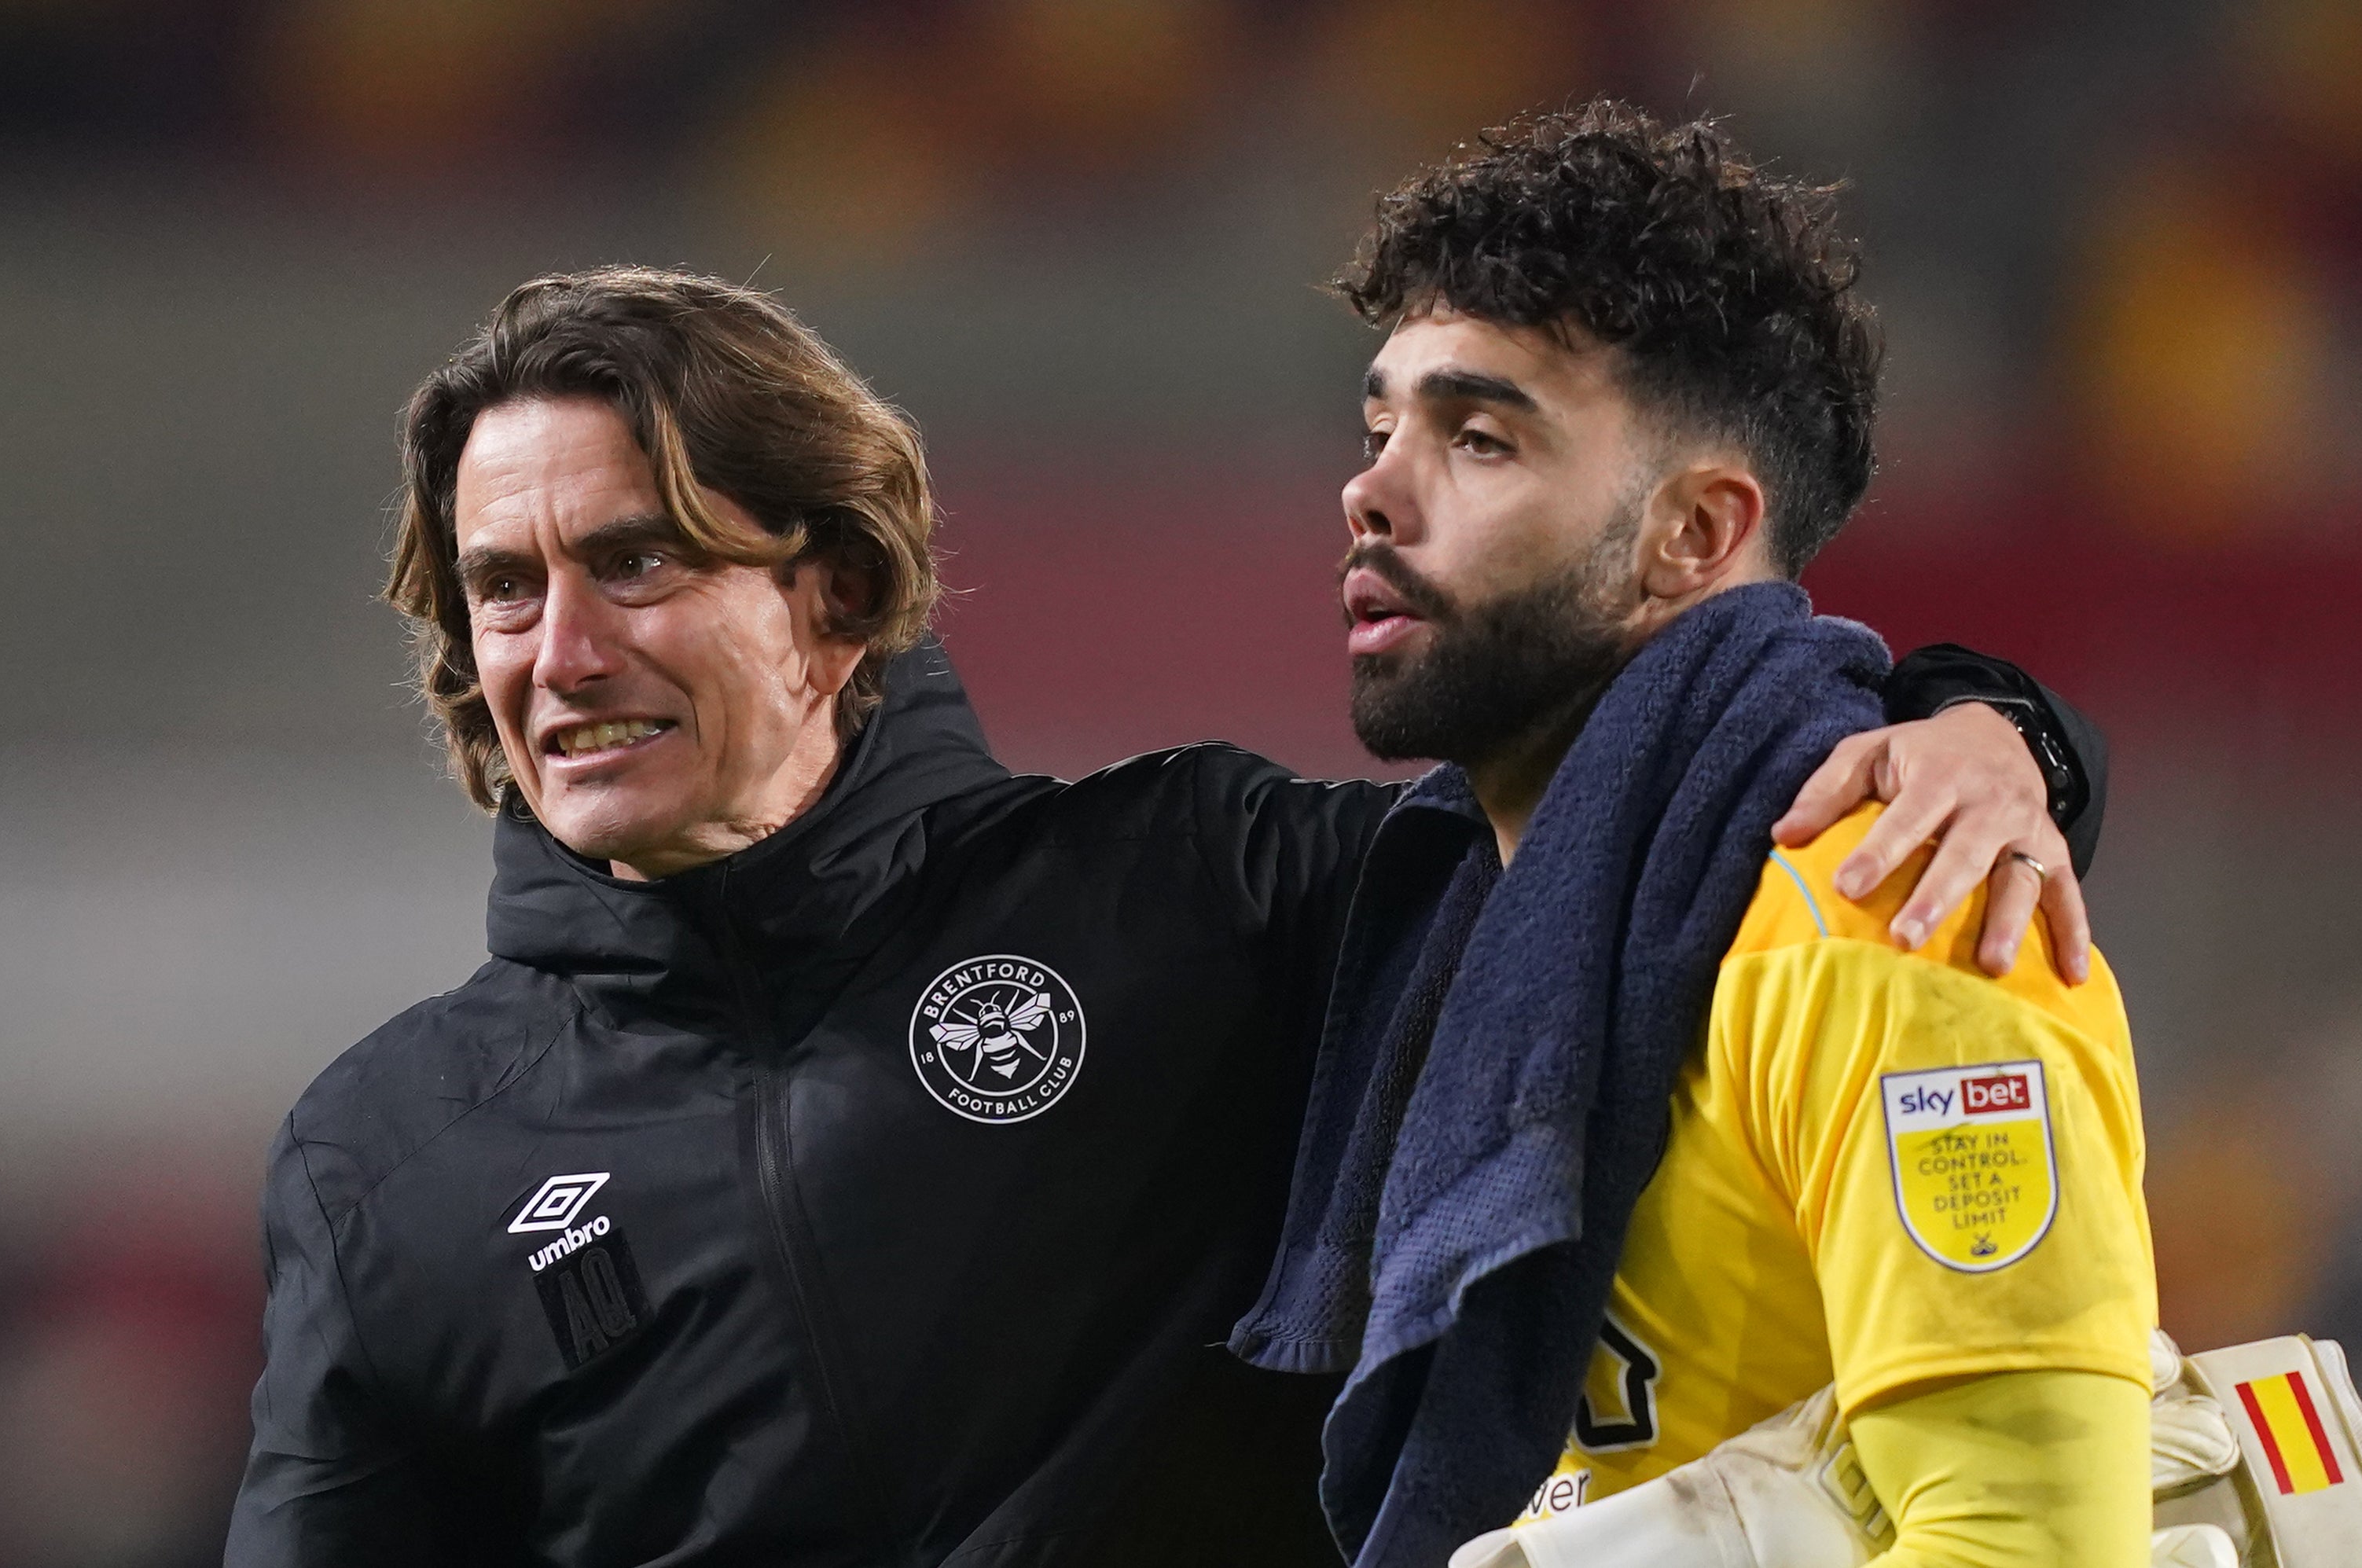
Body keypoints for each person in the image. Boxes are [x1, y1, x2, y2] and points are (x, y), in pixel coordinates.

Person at [223, 266, 2099, 1566]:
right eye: (499, 589)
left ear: (835, 589)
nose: (557, 651)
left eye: (634, 559)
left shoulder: (1188, 883)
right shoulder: (386, 1156)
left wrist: (1971, 723)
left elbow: (1626, 798)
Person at [1229, 101, 2154, 1568]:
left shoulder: (1896, 918)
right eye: (1377, 426)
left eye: (1475, 438)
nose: (1369, 490)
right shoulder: (1440, 926)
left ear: (1692, 535)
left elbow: (2032, 1545)